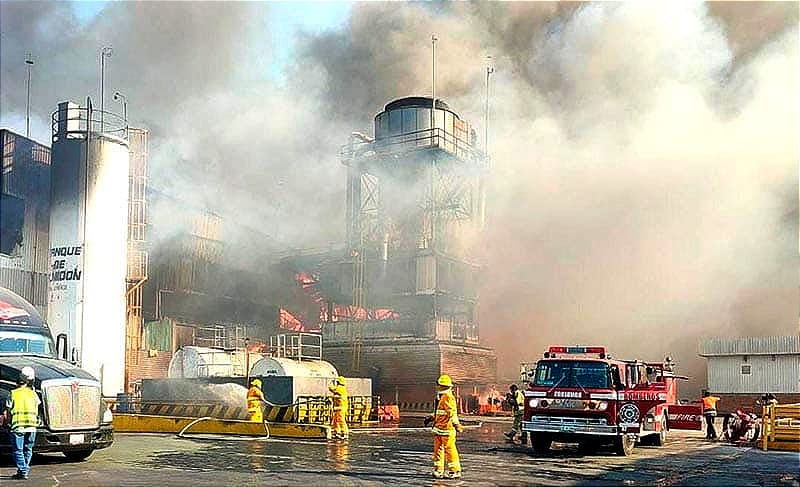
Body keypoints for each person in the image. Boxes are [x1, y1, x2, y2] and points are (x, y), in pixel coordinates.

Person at [423, 374, 463, 479]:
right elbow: (439, 412)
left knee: (450, 450)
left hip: (447, 429)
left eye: (439, 385)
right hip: (439, 429)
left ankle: (455, 471)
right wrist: (431, 418)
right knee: (438, 450)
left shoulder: (448, 397)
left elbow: (452, 413)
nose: (437, 387)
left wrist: (456, 424)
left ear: (443, 386)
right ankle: (438, 470)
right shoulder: (441, 397)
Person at [4, 366, 40, 480]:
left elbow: (8, 412)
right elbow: (37, 407)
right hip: (32, 427)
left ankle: (23, 469)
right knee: (28, 449)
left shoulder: (13, 393)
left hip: (18, 426)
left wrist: (8, 423)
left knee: (17, 450)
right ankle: (22, 472)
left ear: (16, 383)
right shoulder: (33, 394)